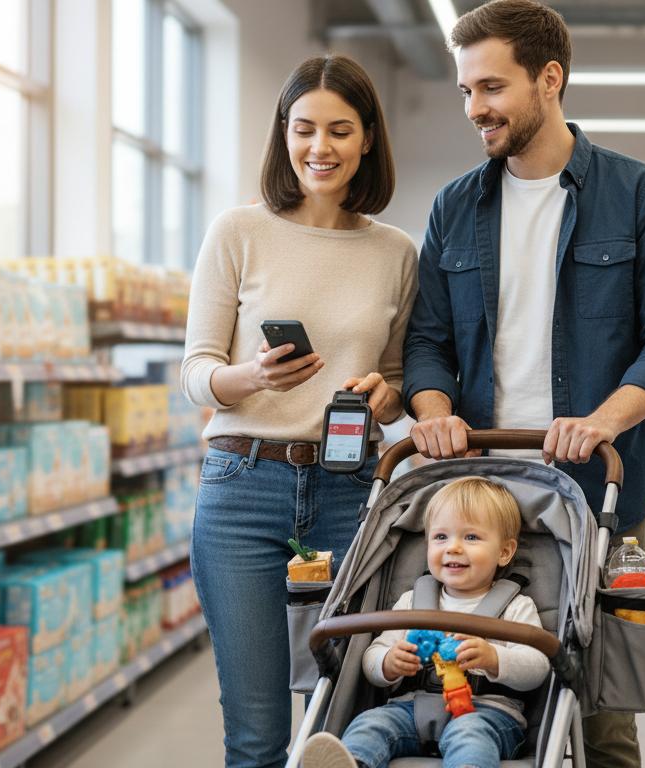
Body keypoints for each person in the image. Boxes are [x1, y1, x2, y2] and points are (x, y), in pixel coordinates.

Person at [400, 2, 645, 765]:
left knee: (602, 710)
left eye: (491, 88)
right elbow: (428, 342)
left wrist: (603, 419)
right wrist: (432, 411)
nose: (476, 109)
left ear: (550, 79)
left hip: (603, 494)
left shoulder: (637, 194)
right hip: (481, 493)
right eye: (466, 92)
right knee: (460, 686)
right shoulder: (454, 208)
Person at [181, 54, 418, 768]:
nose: (320, 147)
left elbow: (399, 379)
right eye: (304, 128)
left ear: (368, 138)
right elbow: (195, 373)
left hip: (350, 493)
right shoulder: (237, 232)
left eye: (340, 130)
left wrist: (387, 396)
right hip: (242, 490)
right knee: (256, 734)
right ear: (283, 134)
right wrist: (248, 375)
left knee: (345, 718)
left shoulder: (395, 252)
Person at [300, 477, 549, 768]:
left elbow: (539, 666)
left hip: (487, 713)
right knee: (370, 723)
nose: (453, 548)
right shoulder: (412, 601)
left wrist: (494, 658)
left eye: (471, 538)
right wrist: (388, 662)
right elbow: (372, 656)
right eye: (441, 537)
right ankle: (355, 762)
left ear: (505, 552)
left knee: (470, 736)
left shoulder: (516, 606)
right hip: (409, 709)